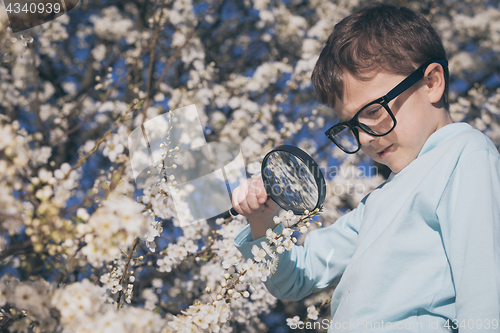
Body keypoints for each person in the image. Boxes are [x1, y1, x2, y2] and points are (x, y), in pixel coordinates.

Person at [231, 3, 500, 332]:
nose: (365, 137)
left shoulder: (465, 154)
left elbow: (485, 297)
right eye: (351, 126)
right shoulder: (377, 204)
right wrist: (262, 220)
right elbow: (295, 279)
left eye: (373, 111)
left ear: (431, 82)